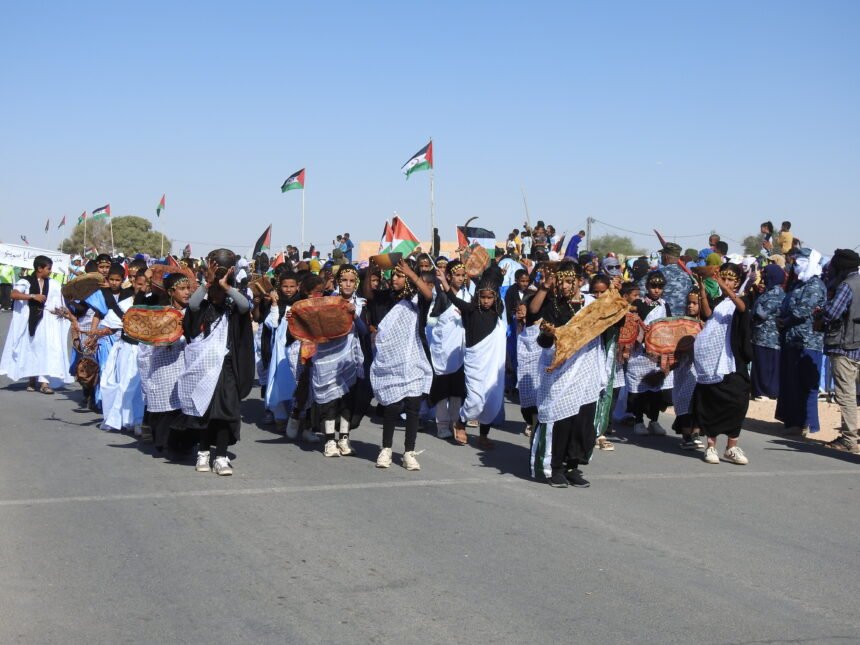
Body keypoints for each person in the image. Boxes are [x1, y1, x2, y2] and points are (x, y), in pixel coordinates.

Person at [528, 261, 603, 488]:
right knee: (561, 418)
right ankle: (555, 467)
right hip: (561, 370)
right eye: (562, 281)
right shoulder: (554, 306)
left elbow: (612, 323)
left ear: (580, 281)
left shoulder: (592, 305)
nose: (566, 285)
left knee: (582, 420)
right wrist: (548, 334)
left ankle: (573, 465)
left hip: (587, 369)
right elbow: (539, 332)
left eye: (571, 280)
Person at [180, 251, 255, 476]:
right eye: (213, 290)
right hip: (204, 368)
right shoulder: (202, 307)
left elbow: (246, 306)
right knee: (205, 412)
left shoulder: (233, 309)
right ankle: (203, 452)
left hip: (226, 368)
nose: (217, 293)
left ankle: (221, 456)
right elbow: (192, 305)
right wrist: (208, 282)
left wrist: (226, 286)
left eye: (220, 289)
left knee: (225, 413)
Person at [368, 259, 434, 470]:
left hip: (413, 358)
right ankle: (386, 449)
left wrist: (413, 274)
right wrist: (371, 269)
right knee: (391, 406)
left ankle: (408, 452)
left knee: (413, 406)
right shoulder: (386, 298)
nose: (394, 279)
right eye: (393, 275)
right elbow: (369, 293)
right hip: (390, 360)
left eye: (399, 275)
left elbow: (429, 295)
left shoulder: (415, 301)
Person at [437, 270, 506, 450]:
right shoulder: (470, 310)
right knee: (475, 399)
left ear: (495, 298)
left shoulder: (497, 312)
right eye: (483, 297)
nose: (486, 301)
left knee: (492, 400)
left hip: (492, 365)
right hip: (476, 363)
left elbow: (496, 280)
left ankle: (484, 435)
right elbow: (454, 298)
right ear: (478, 296)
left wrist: (488, 272)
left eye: (490, 298)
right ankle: (460, 422)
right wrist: (444, 281)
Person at [693, 263, 752, 465]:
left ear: (737, 282)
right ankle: (711, 445)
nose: (726, 282)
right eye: (723, 278)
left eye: (730, 280)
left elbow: (742, 309)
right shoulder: (720, 301)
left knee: (738, 401)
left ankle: (732, 447)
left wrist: (721, 284)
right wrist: (702, 288)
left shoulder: (743, 298)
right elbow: (708, 314)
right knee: (712, 399)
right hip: (713, 358)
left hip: (733, 358)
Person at [138, 272, 194, 454]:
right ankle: (165, 443)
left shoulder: (194, 313)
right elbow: (145, 349)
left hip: (185, 368)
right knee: (164, 412)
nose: (187, 292)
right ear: (171, 291)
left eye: (189, 288)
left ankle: (182, 446)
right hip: (163, 370)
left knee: (184, 408)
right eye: (182, 289)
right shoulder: (159, 315)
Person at [314, 265, 367, 457]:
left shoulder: (360, 303)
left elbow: (363, 332)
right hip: (328, 356)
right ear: (338, 282)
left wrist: (353, 314)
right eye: (344, 280)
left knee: (347, 399)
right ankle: (329, 440)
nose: (347, 284)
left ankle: (344, 438)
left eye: (352, 281)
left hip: (350, 357)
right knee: (331, 399)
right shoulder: (328, 301)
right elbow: (316, 325)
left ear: (356, 283)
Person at [0, 255, 72, 392]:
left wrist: (62, 311)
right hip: (30, 322)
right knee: (31, 348)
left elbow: (59, 302)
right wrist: (33, 296)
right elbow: (14, 295)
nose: (50, 271)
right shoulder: (25, 281)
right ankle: (32, 379)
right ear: (40, 268)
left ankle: (44, 382)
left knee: (47, 350)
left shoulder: (54, 284)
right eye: (48, 269)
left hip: (48, 323)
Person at [776, 248, 826, 436]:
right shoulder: (799, 284)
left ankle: (806, 423)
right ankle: (793, 420)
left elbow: (803, 310)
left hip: (807, 341)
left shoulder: (814, 285)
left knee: (806, 384)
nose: (795, 267)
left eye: (798, 263)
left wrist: (786, 320)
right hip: (792, 339)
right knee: (793, 383)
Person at [819, 249, 860, 453]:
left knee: (846, 395)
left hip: (845, 346)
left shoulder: (846, 285)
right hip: (857, 345)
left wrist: (821, 311)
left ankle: (849, 439)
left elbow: (834, 313)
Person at [626, 271, 673, 436]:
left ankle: (654, 420)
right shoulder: (639, 303)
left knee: (656, 391)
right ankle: (638, 421)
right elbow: (632, 326)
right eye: (653, 286)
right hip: (639, 353)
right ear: (647, 287)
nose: (656, 290)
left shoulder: (665, 305)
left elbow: (668, 327)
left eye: (660, 287)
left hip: (657, 354)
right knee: (637, 391)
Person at [671, 288, 704, 449]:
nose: (690, 306)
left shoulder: (707, 324)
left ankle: (696, 432)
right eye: (688, 303)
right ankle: (686, 435)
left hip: (701, 370)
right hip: (683, 369)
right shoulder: (680, 323)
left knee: (699, 402)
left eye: (694, 303)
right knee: (684, 400)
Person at [750, 264, 786, 399]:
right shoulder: (768, 291)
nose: (763, 277)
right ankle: (760, 391)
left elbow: (762, 314)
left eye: (765, 274)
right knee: (761, 364)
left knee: (767, 366)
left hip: (768, 336)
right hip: (762, 336)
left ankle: (766, 392)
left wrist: (754, 307)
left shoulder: (775, 294)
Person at [659, 243, 695, 320]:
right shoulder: (687, 276)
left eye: (661, 254)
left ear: (665, 256)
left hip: (663, 320)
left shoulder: (658, 274)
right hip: (683, 320)